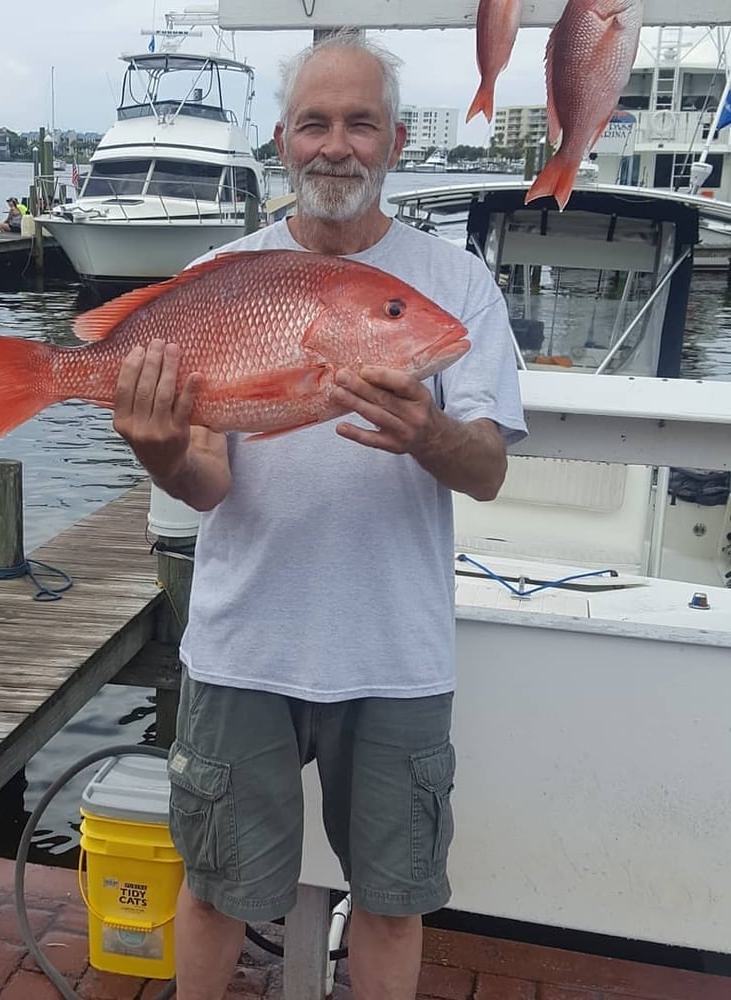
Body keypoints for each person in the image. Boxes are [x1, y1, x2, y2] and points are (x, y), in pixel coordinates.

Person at [112, 33, 527, 1000]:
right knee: (216, 889)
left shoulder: (452, 284)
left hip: (394, 653)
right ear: (281, 139)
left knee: (392, 897)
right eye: (314, 123)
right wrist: (158, 443)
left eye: (359, 123)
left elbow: (491, 470)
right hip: (242, 642)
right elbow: (205, 481)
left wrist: (431, 433)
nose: (335, 145)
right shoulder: (221, 272)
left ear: (393, 139)